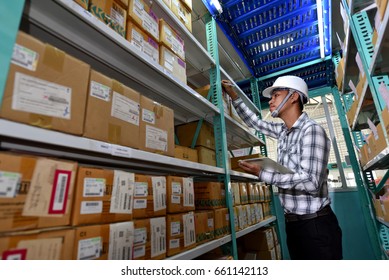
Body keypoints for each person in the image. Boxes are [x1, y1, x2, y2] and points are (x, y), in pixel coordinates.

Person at [222, 76, 342, 260]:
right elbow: (256, 123)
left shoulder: (311, 130)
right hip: (294, 225)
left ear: (293, 97)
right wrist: (234, 96)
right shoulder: (283, 132)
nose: (271, 100)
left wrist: (263, 174)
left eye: (276, 95)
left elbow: (310, 182)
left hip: (315, 226)